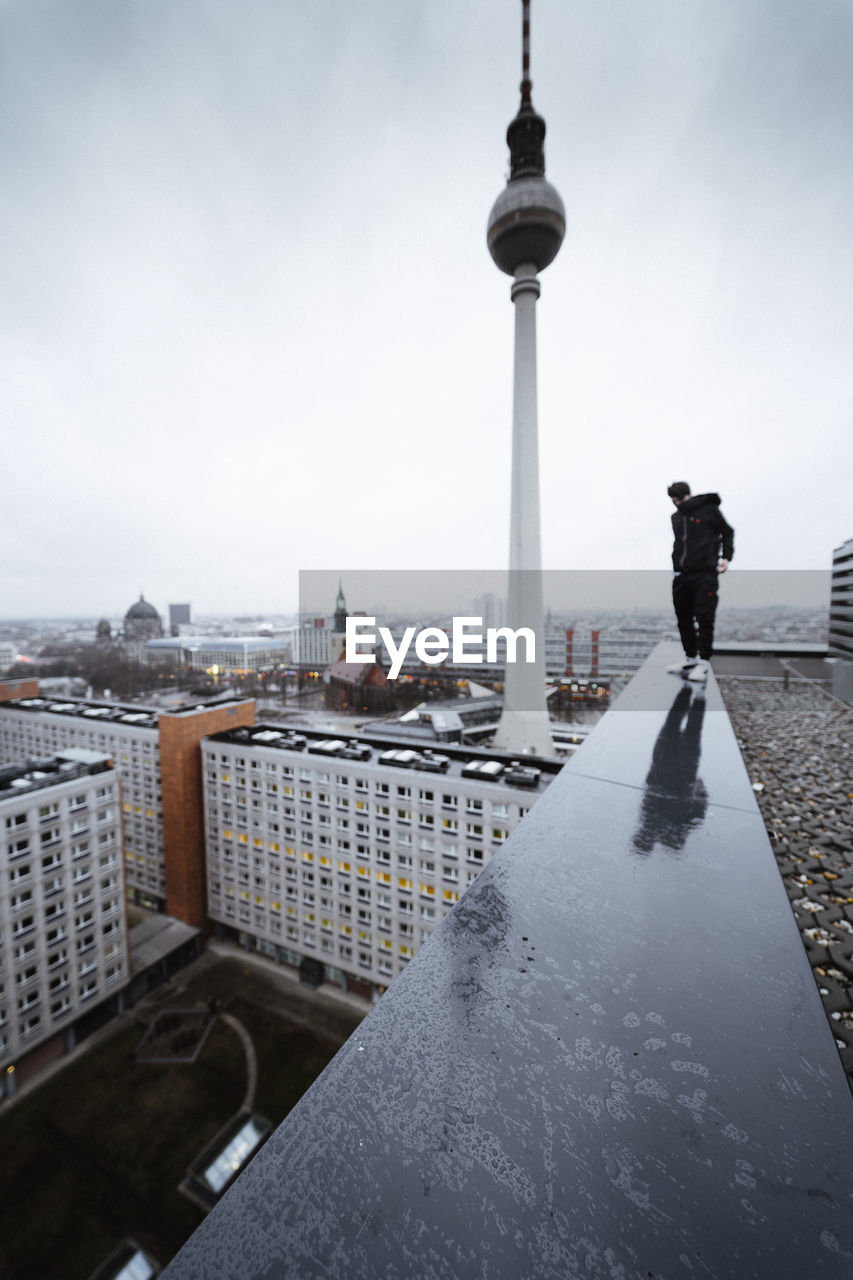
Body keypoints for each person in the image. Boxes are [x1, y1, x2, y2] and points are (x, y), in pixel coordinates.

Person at [666, 481, 734, 681]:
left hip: (705, 573)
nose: (676, 504)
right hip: (681, 575)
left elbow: (727, 532)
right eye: (673, 501)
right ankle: (690, 658)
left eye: (678, 500)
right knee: (683, 617)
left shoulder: (709, 510)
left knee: (704, 617)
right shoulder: (676, 517)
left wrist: (726, 557)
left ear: (687, 496)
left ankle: (703, 663)